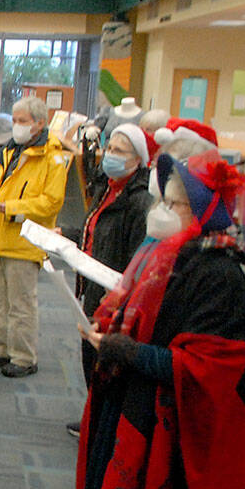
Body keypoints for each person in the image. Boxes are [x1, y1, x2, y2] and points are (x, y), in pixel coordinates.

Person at [68, 150, 245, 489]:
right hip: (137, 403)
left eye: (177, 203)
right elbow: (139, 315)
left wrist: (130, 352)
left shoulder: (218, 276)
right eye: (165, 199)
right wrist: (112, 339)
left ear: (203, 213)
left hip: (176, 428)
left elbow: (210, 369)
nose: (164, 209)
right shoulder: (161, 255)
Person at [0, 96, 69, 377]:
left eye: (22, 121)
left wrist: (10, 208)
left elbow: (51, 202)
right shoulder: (9, 151)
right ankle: (3, 350)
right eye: (14, 120)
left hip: (24, 243)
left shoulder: (52, 157)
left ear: (40, 123)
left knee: (21, 305)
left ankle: (24, 357)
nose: (16, 126)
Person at [72, 123, 155, 387]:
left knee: (106, 359)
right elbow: (97, 230)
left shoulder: (140, 201)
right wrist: (69, 234)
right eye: (109, 148)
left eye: (119, 151)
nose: (110, 155)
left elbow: (137, 257)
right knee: (89, 351)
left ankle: (99, 421)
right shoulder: (106, 187)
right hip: (93, 283)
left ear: (138, 160)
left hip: (113, 292)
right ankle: (90, 417)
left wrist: (121, 294)